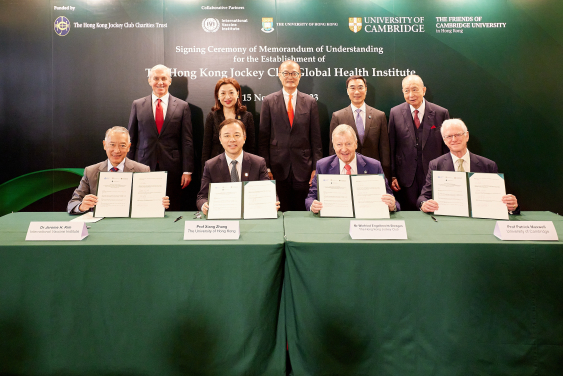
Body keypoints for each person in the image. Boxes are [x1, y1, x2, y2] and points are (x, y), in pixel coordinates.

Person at [127, 64, 194, 211]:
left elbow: (187, 140)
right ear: (149, 81)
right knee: (145, 207)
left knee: (171, 205)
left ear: (170, 81)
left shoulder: (183, 106)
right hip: (143, 164)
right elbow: (131, 138)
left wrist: (187, 170)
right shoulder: (137, 105)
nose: (160, 82)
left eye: (164, 78)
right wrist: (128, 166)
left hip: (173, 166)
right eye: (156, 78)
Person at [258, 60, 323, 212]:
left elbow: (316, 139)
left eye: (294, 73)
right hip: (277, 167)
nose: (290, 77)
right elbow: (263, 139)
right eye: (286, 73)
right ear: (279, 76)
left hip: (303, 167)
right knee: (281, 209)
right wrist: (266, 167)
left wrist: (316, 167)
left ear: (299, 76)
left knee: (302, 209)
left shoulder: (310, 102)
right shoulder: (268, 101)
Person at [417, 119, 519, 214]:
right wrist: (424, 204)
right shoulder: (436, 164)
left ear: (467, 136)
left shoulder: (488, 165)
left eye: (458, 135)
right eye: (448, 136)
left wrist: (511, 205)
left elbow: (499, 200)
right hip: (448, 219)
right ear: (444, 140)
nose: (454, 139)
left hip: (481, 219)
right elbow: (424, 196)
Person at [67, 126, 169, 214]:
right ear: (104, 145)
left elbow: (150, 203)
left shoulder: (142, 170)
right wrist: (82, 206)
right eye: (112, 144)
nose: (117, 150)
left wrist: (158, 203)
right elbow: (72, 204)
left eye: (122, 145)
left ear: (129, 147)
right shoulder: (90, 171)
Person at [388, 74, 450, 210]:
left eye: (415, 89)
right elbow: (391, 146)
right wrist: (392, 175)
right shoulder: (395, 112)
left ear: (424, 90)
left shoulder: (441, 113)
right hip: (405, 177)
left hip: (433, 176)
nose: (411, 94)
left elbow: (447, 148)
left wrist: (447, 175)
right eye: (406, 91)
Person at [306, 124, 399, 213]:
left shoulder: (374, 166)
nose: (344, 149)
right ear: (333, 146)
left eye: (348, 144)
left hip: (365, 220)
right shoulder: (323, 166)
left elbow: (391, 198)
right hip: (335, 219)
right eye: (339, 144)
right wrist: (312, 206)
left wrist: (392, 205)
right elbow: (311, 198)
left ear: (356, 144)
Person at [197, 119, 280, 215]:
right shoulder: (211, 165)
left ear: (244, 138)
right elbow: (201, 197)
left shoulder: (258, 163)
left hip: (252, 215)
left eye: (237, 135)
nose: (232, 139)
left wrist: (273, 202)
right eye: (227, 136)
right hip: (223, 216)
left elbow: (269, 192)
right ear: (220, 139)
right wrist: (204, 205)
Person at [329, 75, 391, 180]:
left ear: (366, 90)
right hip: (346, 171)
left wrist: (386, 176)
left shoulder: (379, 116)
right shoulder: (338, 116)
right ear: (347, 91)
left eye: (360, 87)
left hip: (373, 172)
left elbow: (384, 149)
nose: (356, 92)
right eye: (352, 88)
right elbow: (333, 149)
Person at [202, 77, 255, 168]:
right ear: (217, 95)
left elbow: (251, 146)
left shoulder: (247, 116)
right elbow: (206, 148)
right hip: (217, 167)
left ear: (237, 93)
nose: (227, 97)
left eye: (231, 92)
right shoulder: (212, 116)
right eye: (223, 93)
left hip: (242, 166)